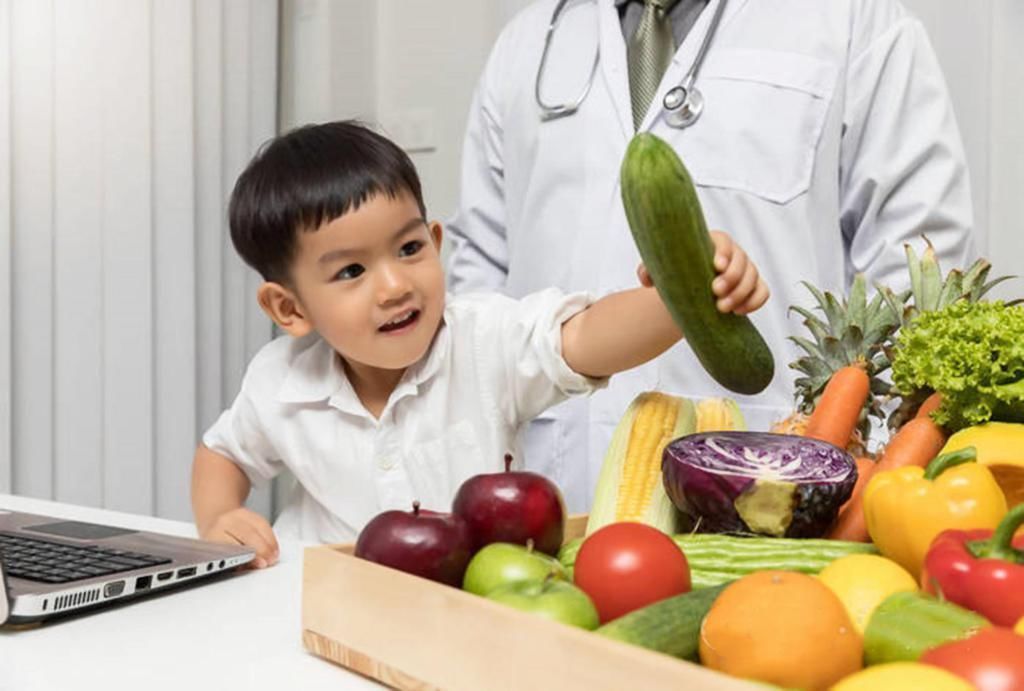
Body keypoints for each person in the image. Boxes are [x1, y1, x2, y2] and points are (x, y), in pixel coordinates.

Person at [446, 0, 977, 511]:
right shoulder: (527, 42)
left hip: (770, 471)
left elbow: (916, 266)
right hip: (552, 479)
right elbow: (479, 278)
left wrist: (873, 478)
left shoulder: (857, 21)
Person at [190, 120, 767, 566]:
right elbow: (222, 455)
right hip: (317, 603)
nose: (394, 286)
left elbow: (587, 339)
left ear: (435, 241)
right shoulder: (278, 381)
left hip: (464, 610)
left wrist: (685, 287)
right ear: (288, 308)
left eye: (409, 249)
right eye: (350, 273)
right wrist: (220, 516)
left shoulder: (486, 340)